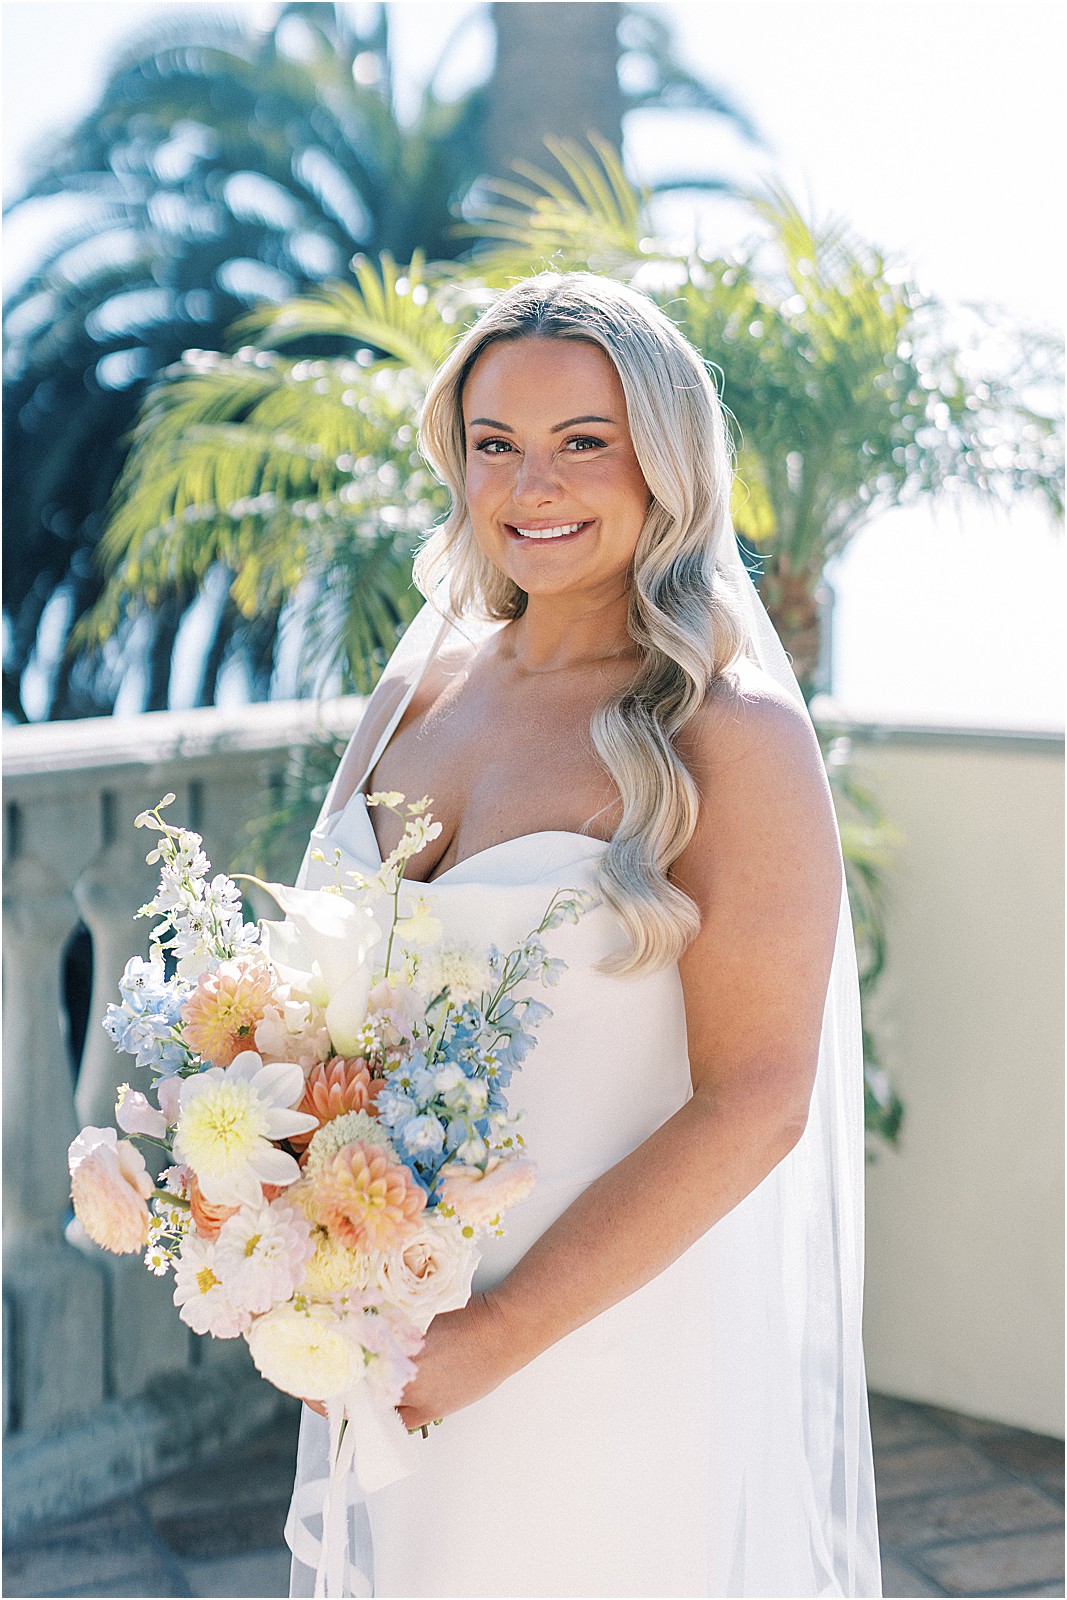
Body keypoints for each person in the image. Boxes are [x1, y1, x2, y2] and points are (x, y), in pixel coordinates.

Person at [286, 272, 882, 1598]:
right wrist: (270, 1236)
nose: (530, 486)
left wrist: (494, 1339)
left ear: (664, 461)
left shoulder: (731, 737)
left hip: (606, 1343)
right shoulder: (415, 704)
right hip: (396, 1331)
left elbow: (759, 1102)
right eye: (495, 444)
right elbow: (304, 1015)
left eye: (581, 444)